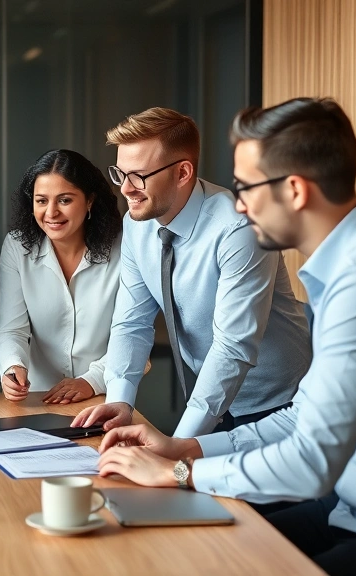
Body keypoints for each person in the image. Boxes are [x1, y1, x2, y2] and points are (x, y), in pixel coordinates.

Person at [95, 97, 356, 575]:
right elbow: (300, 419)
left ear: (294, 190)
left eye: (247, 187)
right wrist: (185, 450)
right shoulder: (346, 269)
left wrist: (179, 472)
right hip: (350, 508)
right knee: (193, 552)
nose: (240, 204)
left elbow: (310, 461)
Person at [73, 107, 312, 438]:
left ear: (183, 172)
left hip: (280, 404)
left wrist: (179, 444)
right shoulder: (136, 225)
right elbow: (132, 323)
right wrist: (120, 400)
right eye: (120, 174)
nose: (125, 189)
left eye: (138, 176)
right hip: (211, 402)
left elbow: (233, 347)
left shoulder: (238, 228)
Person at [0, 149, 123, 403]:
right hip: (39, 399)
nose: (51, 212)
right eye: (41, 201)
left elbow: (132, 336)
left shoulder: (124, 249)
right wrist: (12, 365)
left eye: (64, 200)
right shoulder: (17, 247)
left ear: (89, 201)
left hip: (105, 396)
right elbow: (12, 329)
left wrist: (91, 381)